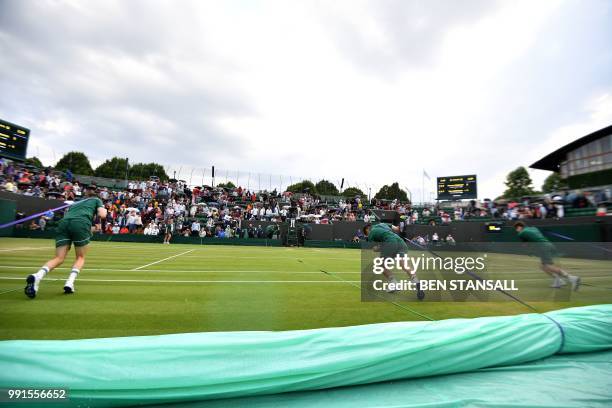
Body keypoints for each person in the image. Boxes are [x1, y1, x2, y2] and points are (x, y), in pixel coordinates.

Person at [25, 186, 107, 298]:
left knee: (58, 258)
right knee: (80, 257)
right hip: (81, 223)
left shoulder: (76, 202)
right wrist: (102, 216)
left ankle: (37, 276)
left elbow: (72, 219)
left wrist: (90, 228)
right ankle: (69, 282)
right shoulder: (97, 200)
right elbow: (102, 215)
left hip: (64, 223)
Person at [363, 223, 424, 300]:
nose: (367, 235)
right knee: (404, 265)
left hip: (390, 242)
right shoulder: (383, 224)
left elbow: (375, 248)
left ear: (368, 229)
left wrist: (377, 248)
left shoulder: (371, 233)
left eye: (366, 233)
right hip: (401, 243)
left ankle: (394, 283)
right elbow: (397, 228)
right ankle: (417, 282)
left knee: (381, 266)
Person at [513, 221, 580, 290]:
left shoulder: (521, 233)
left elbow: (525, 245)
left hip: (543, 247)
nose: (516, 231)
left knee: (548, 266)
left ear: (519, 227)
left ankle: (572, 278)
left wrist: (529, 252)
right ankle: (558, 281)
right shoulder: (534, 228)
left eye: (516, 229)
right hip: (549, 244)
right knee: (542, 266)